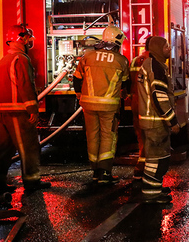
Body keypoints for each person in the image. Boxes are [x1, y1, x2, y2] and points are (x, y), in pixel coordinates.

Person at [0, 25, 51, 201]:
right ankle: (32, 181)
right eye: (27, 37)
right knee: (29, 147)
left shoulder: (3, 60)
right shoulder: (21, 59)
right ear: (19, 38)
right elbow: (25, 85)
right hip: (18, 111)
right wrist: (32, 108)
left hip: (3, 111)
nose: (29, 41)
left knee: (4, 148)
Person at [73, 25, 130, 184]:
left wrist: (80, 96)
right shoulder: (121, 60)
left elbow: (76, 79)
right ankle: (105, 173)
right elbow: (125, 86)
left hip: (88, 106)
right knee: (108, 137)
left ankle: (95, 171)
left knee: (92, 136)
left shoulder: (87, 56)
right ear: (117, 42)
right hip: (109, 107)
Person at [135, 36, 180, 203]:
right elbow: (159, 96)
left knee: (154, 158)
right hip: (156, 121)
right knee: (158, 159)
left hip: (150, 120)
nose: (169, 49)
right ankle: (151, 193)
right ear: (158, 49)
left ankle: (154, 188)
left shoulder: (152, 64)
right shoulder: (156, 67)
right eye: (166, 47)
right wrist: (172, 121)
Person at [130, 46, 150, 181]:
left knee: (140, 134)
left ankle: (140, 165)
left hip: (136, 102)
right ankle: (148, 170)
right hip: (149, 104)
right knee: (151, 136)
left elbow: (129, 80)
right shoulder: (155, 61)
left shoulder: (135, 61)